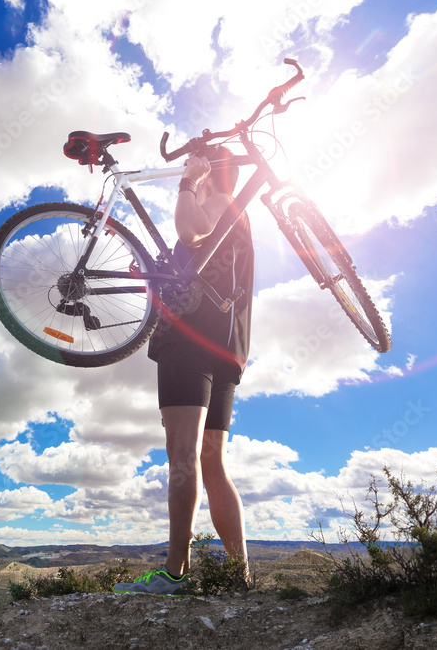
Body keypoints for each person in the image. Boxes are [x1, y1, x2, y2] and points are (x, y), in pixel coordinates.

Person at [114, 145, 254, 595]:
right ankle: (240, 575)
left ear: (211, 169)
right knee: (212, 460)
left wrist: (188, 181)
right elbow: (191, 276)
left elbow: (189, 230)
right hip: (227, 349)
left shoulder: (216, 201)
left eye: (196, 161)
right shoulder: (239, 218)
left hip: (188, 347)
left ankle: (175, 573)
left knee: (182, 454)